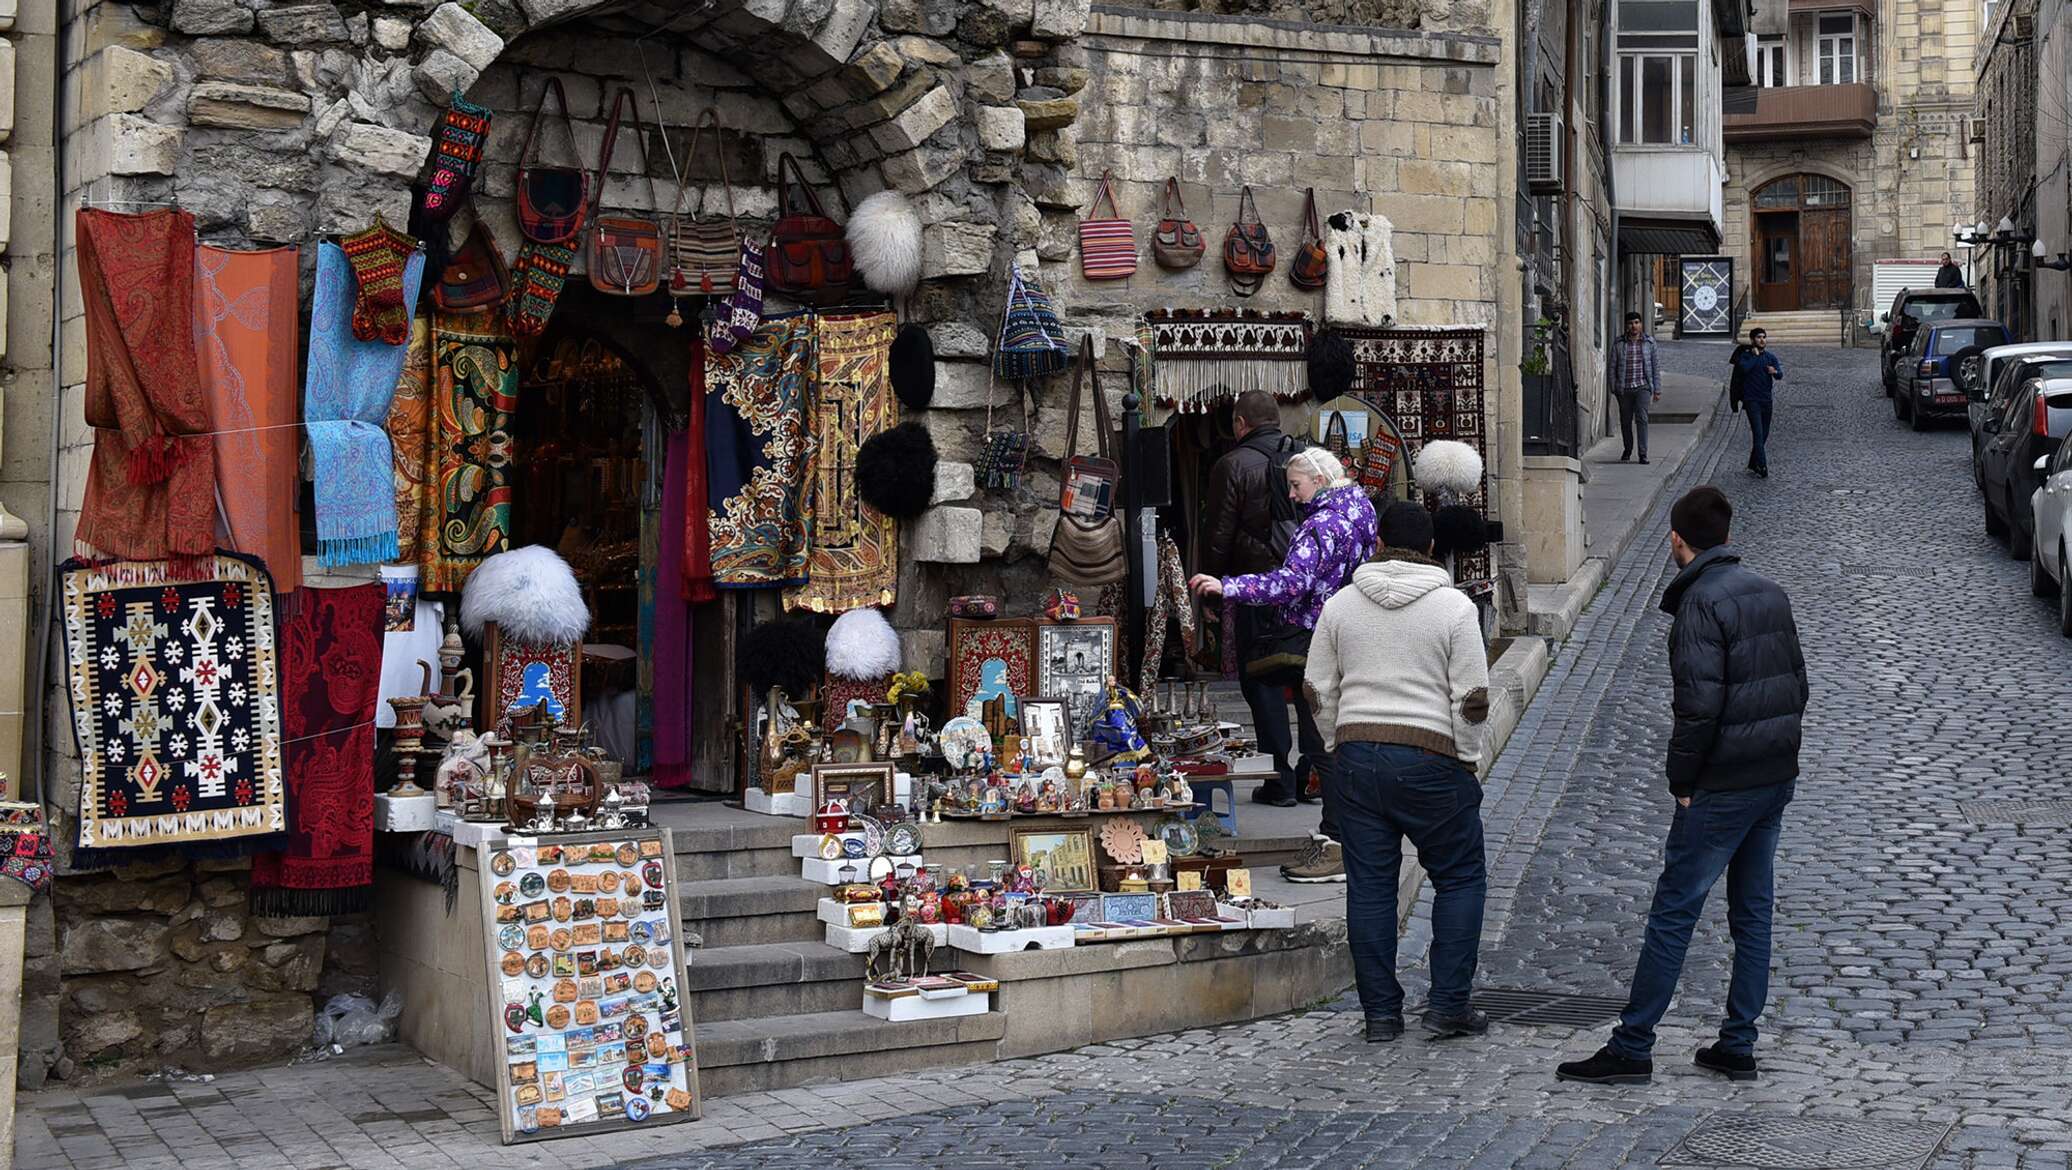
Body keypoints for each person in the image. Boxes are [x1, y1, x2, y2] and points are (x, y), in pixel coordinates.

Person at [1556, 486, 1808, 1086]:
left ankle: (1633, 1044)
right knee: (1752, 913)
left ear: (1677, 540)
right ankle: (1738, 1043)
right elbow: (1798, 686)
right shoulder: (1769, 593)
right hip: (1772, 778)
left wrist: (1683, 780)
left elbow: (1697, 707)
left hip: (1722, 785)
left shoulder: (1700, 603)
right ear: (1726, 535)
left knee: (1675, 910)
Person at [1304, 502, 1490, 1041]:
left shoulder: (1340, 606)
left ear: (1379, 543)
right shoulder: (1454, 609)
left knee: (1369, 888)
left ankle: (1380, 1014)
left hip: (1358, 757)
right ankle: (1449, 1004)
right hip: (1434, 758)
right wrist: (1467, 757)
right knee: (1458, 877)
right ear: (1432, 549)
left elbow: (1316, 691)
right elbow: (1472, 699)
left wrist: (1340, 740)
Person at [1192, 447, 1377, 883]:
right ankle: (1341, 835)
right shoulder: (1360, 508)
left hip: (1316, 638)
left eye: (1296, 485)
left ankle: (1337, 843)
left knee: (1319, 739)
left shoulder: (1323, 524)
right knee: (1327, 735)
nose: (1292, 495)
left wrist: (1229, 586)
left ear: (1318, 479)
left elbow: (1292, 582)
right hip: (1342, 632)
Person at [1201, 390, 1310, 810]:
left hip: (1256, 588)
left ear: (1240, 424)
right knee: (1307, 682)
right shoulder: (1305, 460)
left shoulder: (1232, 465)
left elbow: (1219, 534)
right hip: (1305, 588)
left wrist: (1213, 588)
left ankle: (1279, 779)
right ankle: (1312, 775)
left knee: (1262, 680)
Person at [1608, 312, 1661, 464]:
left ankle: (1643, 454)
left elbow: (1655, 366)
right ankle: (1628, 449)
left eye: (1637, 322)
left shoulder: (1649, 343)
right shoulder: (1619, 344)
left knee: (1642, 419)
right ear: (1626, 325)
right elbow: (1612, 367)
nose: (1634, 326)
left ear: (1641, 324)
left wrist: (1657, 389)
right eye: (1631, 323)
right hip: (1624, 389)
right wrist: (1614, 387)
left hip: (1642, 387)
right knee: (1625, 421)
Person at [1734, 329, 1784, 477]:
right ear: (1752, 340)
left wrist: (1774, 372)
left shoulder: (1770, 357)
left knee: (1764, 434)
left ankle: (1752, 462)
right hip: (1751, 400)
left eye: (1764, 337)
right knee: (1758, 433)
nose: (1762, 340)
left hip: (1766, 400)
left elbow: (1780, 375)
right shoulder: (1745, 356)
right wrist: (1755, 357)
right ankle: (1762, 466)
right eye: (1758, 337)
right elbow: (1744, 369)